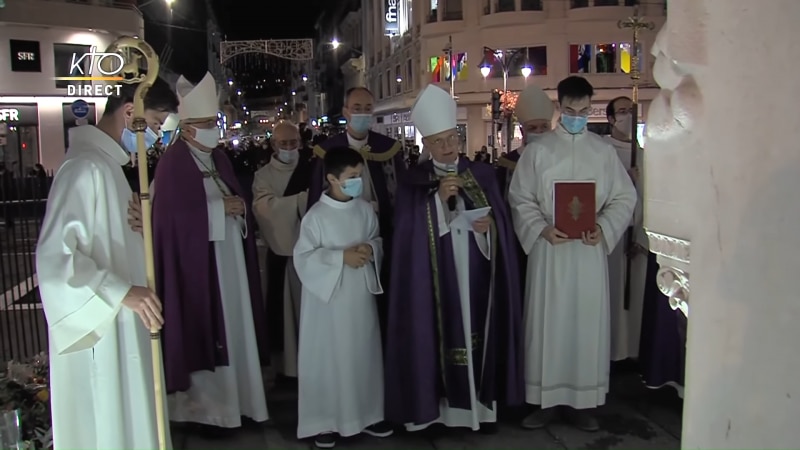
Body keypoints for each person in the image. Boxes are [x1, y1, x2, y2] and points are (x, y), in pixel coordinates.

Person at [36, 77, 178, 449]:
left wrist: (140, 232)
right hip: (104, 325)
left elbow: (112, 243)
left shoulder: (109, 167)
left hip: (123, 322)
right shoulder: (84, 168)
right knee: (109, 423)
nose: (156, 136)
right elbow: (55, 258)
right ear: (130, 112)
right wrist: (120, 291)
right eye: (155, 124)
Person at [384, 84, 524, 433]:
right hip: (434, 276)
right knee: (434, 333)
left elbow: (500, 227)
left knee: (476, 329)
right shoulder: (413, 182)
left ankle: (478, 409)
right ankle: (435, 411)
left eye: (452, 138)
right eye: (439, 142)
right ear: (426, 144)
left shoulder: (484, 174)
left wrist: (488, 227)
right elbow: (406, 234)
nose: (448, 148)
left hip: (475, 268)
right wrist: (436, 203)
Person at [508, 76, 637, 431]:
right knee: (549, 324)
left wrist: (605, 227)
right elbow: (520, 198)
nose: (576, 117)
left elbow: (624, 198)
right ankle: (545, 401)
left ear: (590, 108)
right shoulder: (540, 151)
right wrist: (542, 229)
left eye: (583, 111)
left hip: (588, 253)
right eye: (570, 111)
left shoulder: (603, 152)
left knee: (585, 324)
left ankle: (582, 403)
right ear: (559, 108)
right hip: (551, 252)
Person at [152, 72, 269, 432]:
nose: (213, 130)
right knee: (207, 330)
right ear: (187, 128)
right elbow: (170, 218)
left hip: (229, 261)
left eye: (213, 122)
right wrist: (222, 211)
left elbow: (235, 198)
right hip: (200, 268)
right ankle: (204, 412)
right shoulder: (173, 163)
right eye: (205, 124)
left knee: (235, 326)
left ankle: (242, 404)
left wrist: (239, 208)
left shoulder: (218, 159)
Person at [294, 146, 392, 449]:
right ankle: (325, 421)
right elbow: (304, 258)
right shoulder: (316, 217)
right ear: (332, 179)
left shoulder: (363, 209)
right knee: (329, 360)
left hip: (360, 300)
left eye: (359, 176)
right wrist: (340, 258)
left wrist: (371, 250)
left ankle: (368, 414)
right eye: (351, 177)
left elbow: (377, 238)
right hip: (328, 306)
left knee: (362, 355)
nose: (357, 182)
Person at [307, 87, 405, 345]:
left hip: (379, 233)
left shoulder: (389, 149)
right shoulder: (327, 152)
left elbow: (399, 195)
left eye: (367, 108)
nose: (362, 113)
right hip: (338, 236)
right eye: (357, 108)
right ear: (346, 112)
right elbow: (318, 197)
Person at [252, 120, 313, 380]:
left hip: (313, 252)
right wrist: (301, 200)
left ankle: (313, 363)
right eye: (283, 143)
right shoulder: (263, 175)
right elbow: (264, 208)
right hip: (283, 254)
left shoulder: (312, 168)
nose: (289, 147)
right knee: (285, 315)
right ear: (274, 145)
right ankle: (287, 369)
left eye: (293, 143)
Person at [604, 96, 649, 362]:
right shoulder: (602, 152)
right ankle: (612, 353)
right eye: (622, 112)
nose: (627, 117)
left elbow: (654, 199)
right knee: (612, 297)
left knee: (636, 301)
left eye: (631, 111)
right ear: (610, 119)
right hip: (611, 238)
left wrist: (643, 238)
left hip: (637, 242)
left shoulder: (644, 156)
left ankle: (633, 352)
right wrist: (626, 181)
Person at [496, 85, 554, 199]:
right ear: (523, 131)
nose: (539, 132)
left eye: (544, 127)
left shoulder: (560, 158)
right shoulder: (507, 163)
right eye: (532, 128)